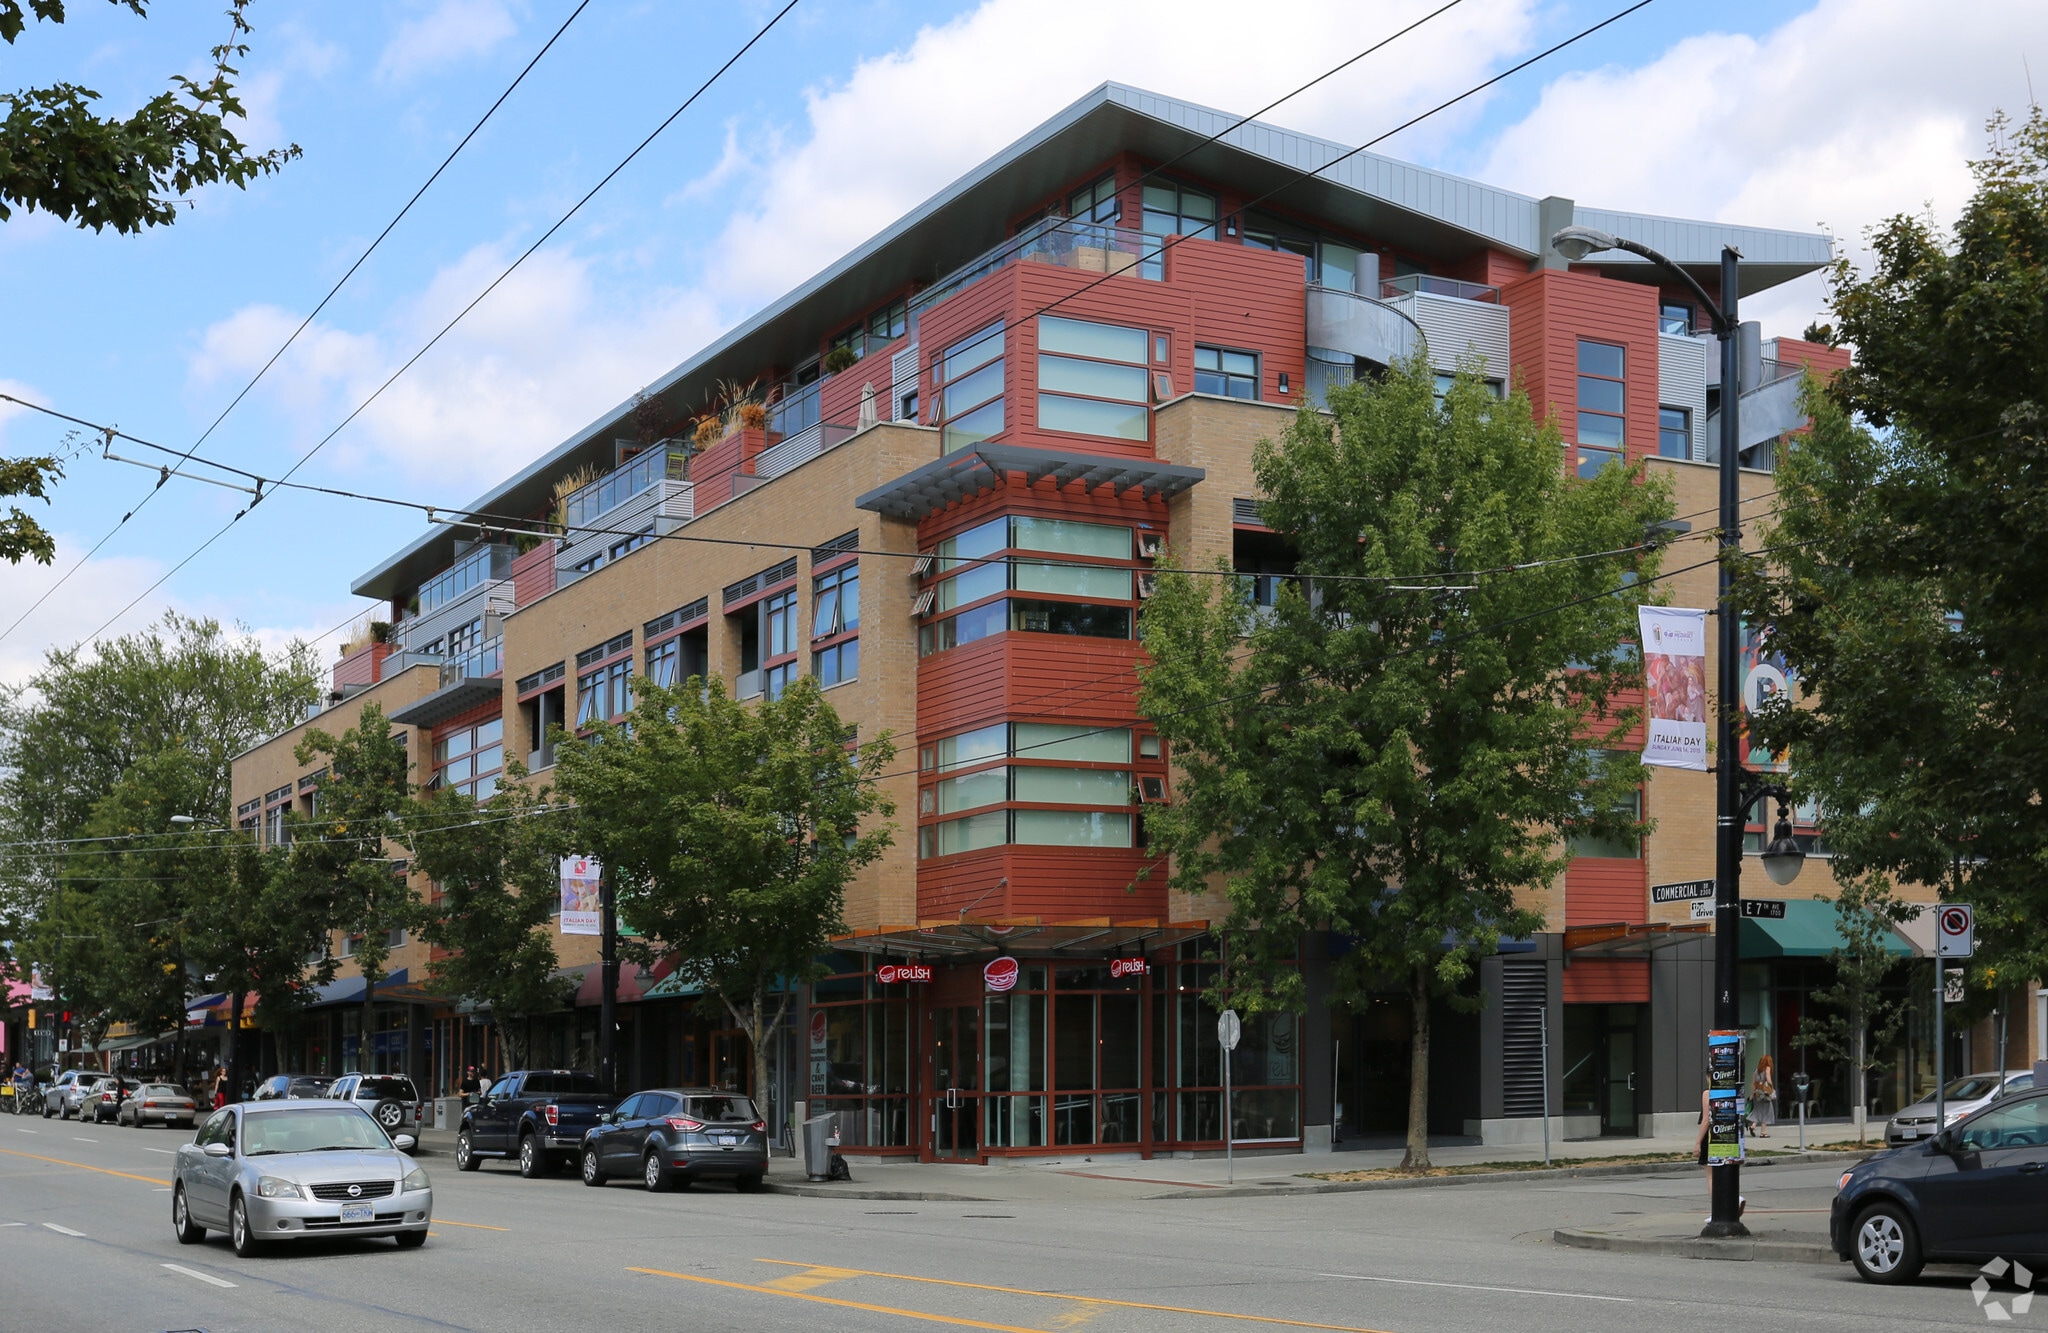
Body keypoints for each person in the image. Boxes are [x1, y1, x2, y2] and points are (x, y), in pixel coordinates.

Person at [1749, 1055, 1777, 1138]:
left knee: (1758, 1110)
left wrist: (1752, 1094)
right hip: (1765, 1094)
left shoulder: (1756, 1070)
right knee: (1767, 1112)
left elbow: (1753, 1083)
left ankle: (1753, 1126)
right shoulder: (1767, 1068)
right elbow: (1768, 1080)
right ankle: (1763, 1133)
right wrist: (1771, 1088)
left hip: (1757, 1093)